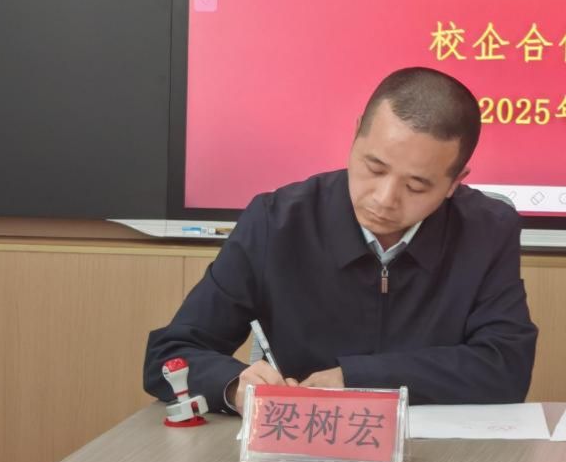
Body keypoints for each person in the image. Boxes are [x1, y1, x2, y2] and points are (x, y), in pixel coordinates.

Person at [144, 67, 537, 413]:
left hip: (438, 457)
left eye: (417, 186)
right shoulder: (277, 222)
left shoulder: (487, 230)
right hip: (304, 448)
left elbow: (506, 368)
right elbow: (170, 355)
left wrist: (356, 379)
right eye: (374, 167)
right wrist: (234, 387)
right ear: (355, 135)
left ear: (454, 183)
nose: (385, 199)